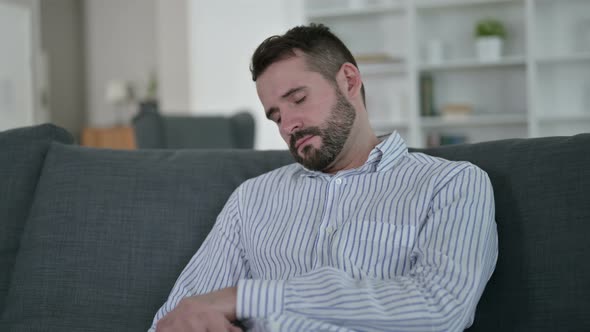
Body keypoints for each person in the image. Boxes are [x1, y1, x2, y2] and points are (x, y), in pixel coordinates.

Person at [149, 24, 497, 332]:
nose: (288, 125)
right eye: (275, 117)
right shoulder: (251, 199)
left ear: (348, 81)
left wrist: (249, 298)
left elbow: (440, 308)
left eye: (298, 99)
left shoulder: (451, 184)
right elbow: (178, 316)